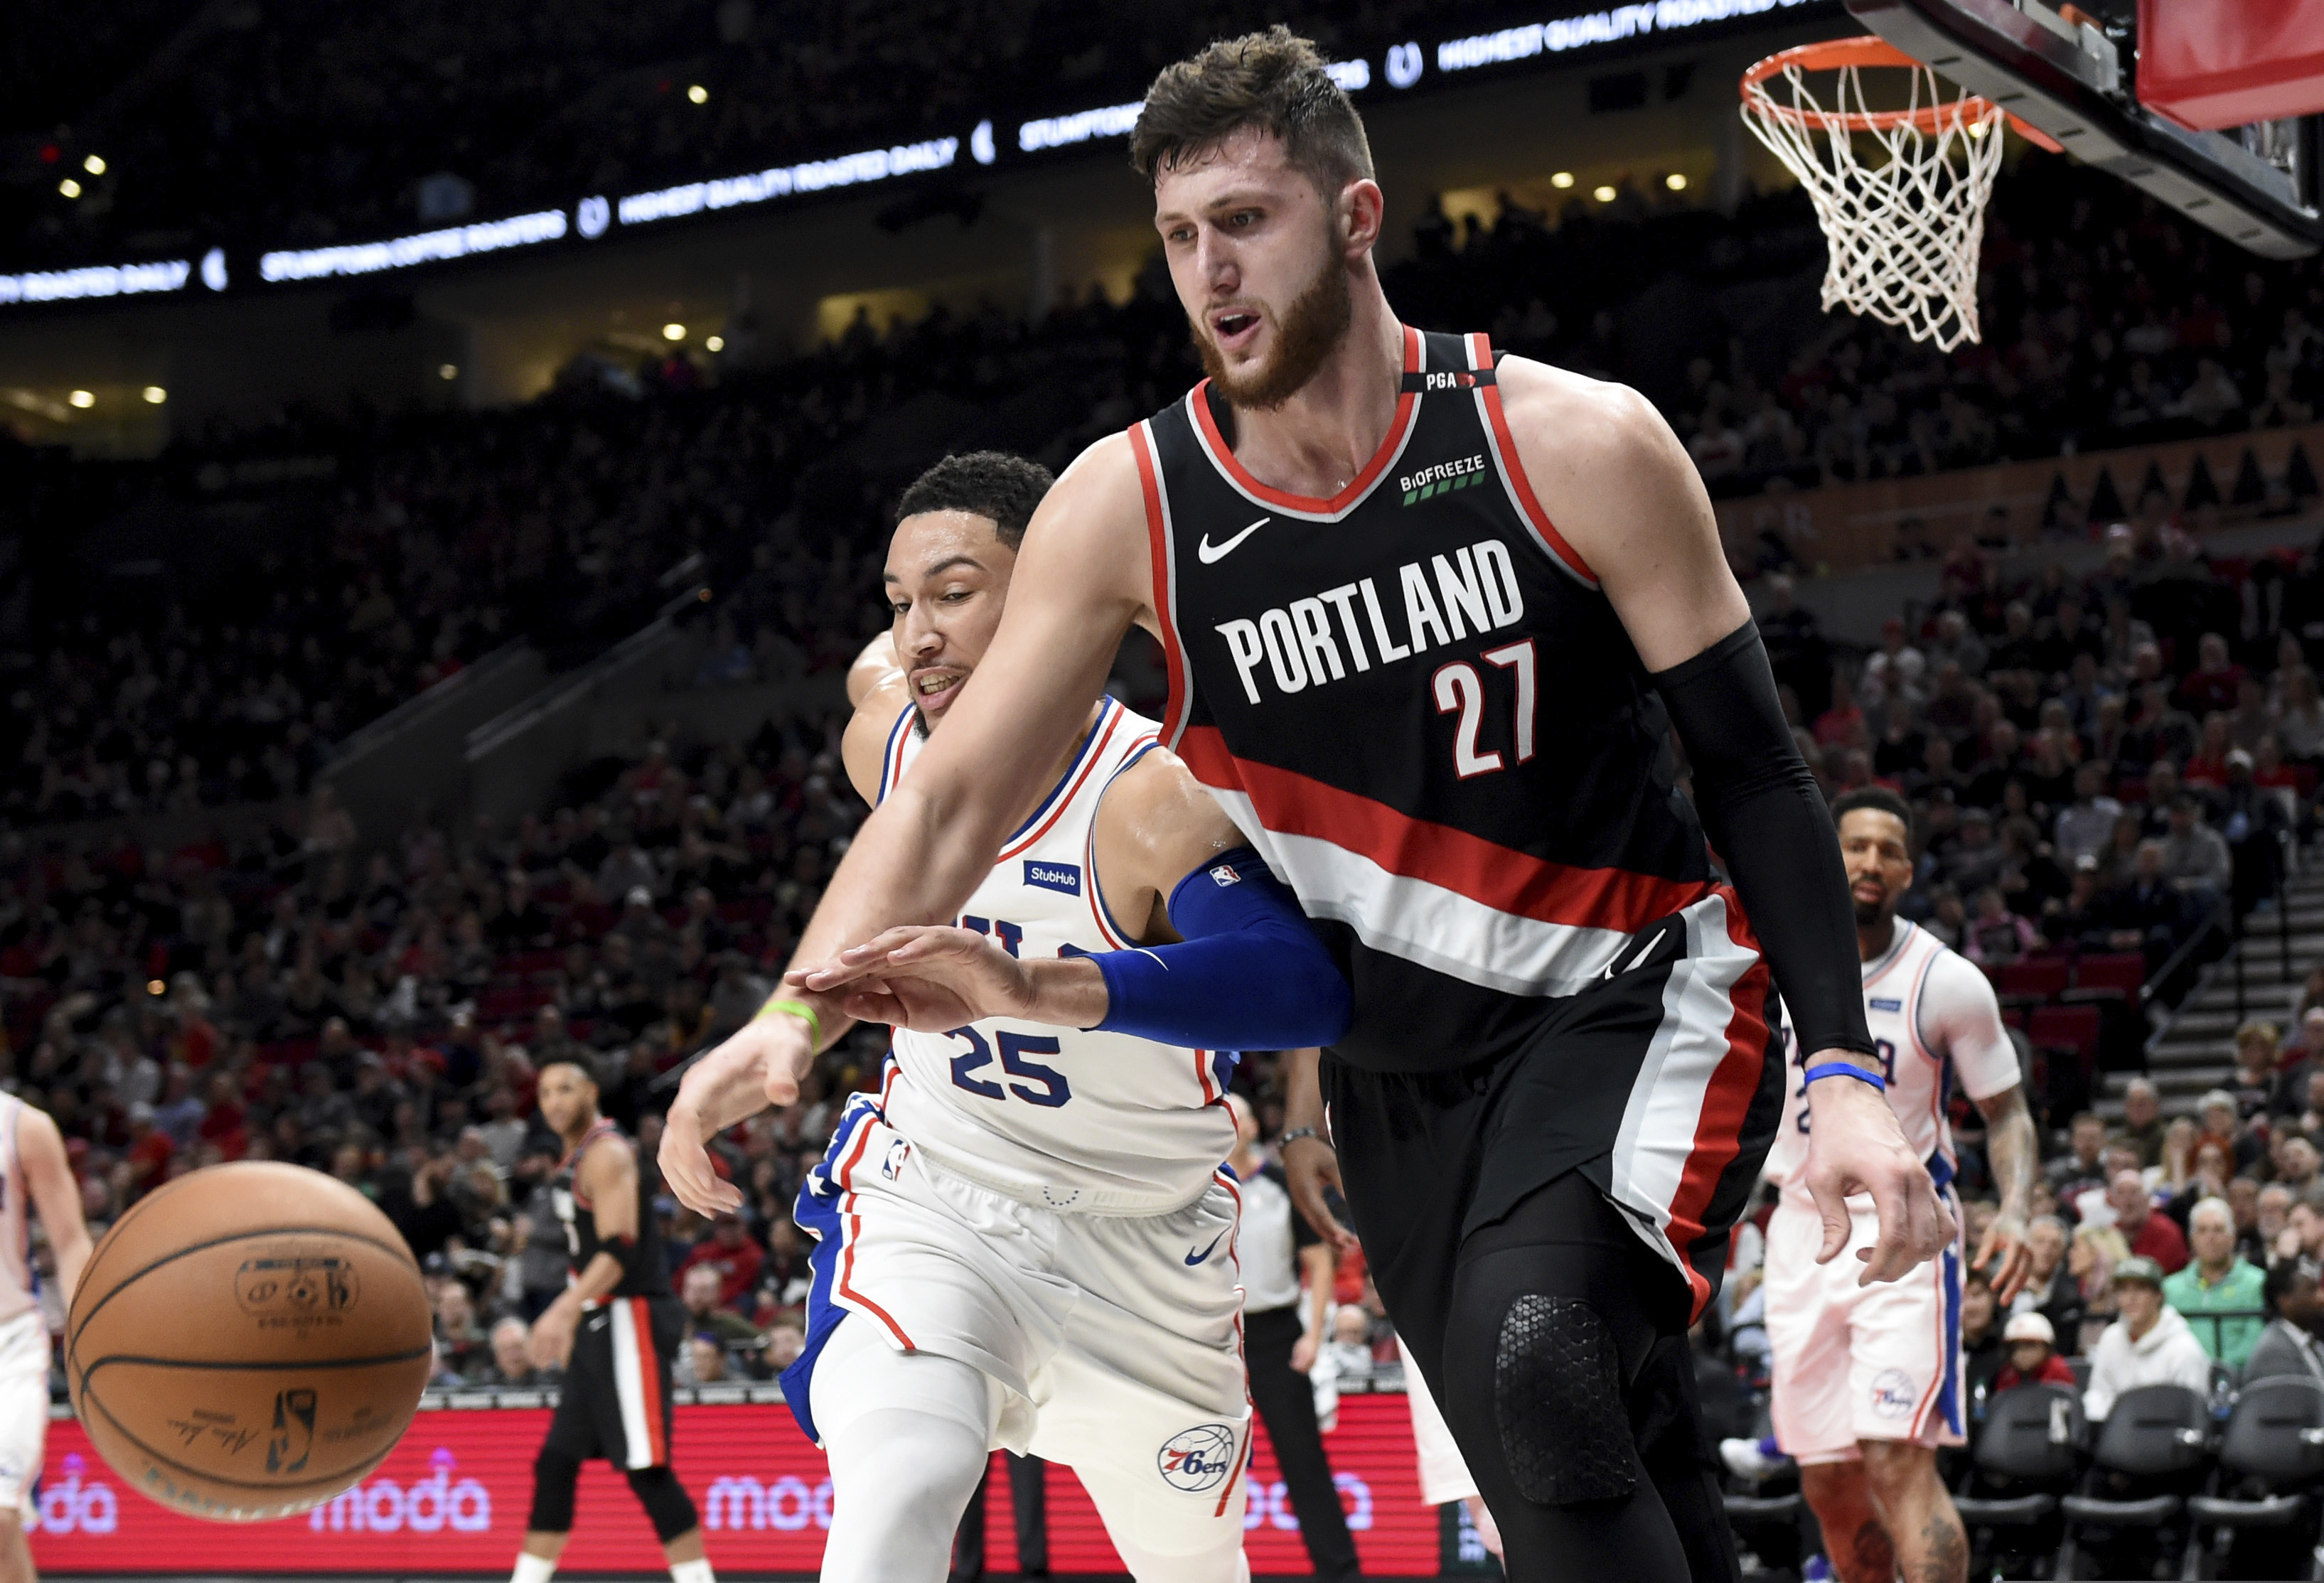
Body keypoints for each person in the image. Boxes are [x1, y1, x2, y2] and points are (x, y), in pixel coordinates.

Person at [673, 32, 1950, 1583]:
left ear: (1354, 215)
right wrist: (786, 1024)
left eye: (1245, 219)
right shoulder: (1126, 505)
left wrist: (1838, 1061)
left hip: (1625, 997)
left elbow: (1753, 767)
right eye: (1178, 237)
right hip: (1393, 1074)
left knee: (1536, 1362)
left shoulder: (1568, 441)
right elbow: (942, 800)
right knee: (1590, 1451)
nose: (1210, 270)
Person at [670, 451, 1351, 1583]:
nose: (917, 632)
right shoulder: (891, 748)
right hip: (939, 1199)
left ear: (1051, 595)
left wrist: (1047, 987)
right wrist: (786, 1019)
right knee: (899, 1484)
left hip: (1145, 1246)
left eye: (953, 591)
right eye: (897, 603)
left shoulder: (1147, 793)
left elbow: (1304, 987)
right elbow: (871, 683)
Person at [1761, 788, 2035, 1583]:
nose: (1869, 862)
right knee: (1827, 1478)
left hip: (1902, 1232)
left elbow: (2007, 1113)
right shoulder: (1769, 966)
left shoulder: (1945, 980)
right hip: (1799, 1232)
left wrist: (2013, 1211)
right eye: (1854, 846)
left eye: (1886, 849)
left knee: (1893, 1458)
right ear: (1826, 855)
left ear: (1908, 871)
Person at [508, 1058, 710, 1583]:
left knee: (647, 1469)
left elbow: (618, 1249)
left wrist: (562, 1308)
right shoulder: (574, 1155)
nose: (553, 1100)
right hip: (600, 1321)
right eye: (545, 1090)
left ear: (591, 1091)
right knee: (555, 1464)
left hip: (629, 1317)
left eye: (565, 1088)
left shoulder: (607, 1152)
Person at [1223, 1084, 1359, 1582]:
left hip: (1277, 1334)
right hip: (1216, 1338)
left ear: (1253, 1126)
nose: (1227, 1125)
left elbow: (1318, 1261)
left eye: (1235, 1116)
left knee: (1302, 1460)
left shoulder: (1281, 1183)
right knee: (1213, 1464)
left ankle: (1340, 1570)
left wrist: (1313, 1335)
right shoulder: (1196, 1187)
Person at [0, 1096, 92, 1583]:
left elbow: (72, 1240)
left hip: (8, 1343)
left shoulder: (23, 1127)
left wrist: (86, 1332)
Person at [2082, 1257, 2213, 1420]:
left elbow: (2193, 1412)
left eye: (2141, 1289)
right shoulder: (2111, 1338)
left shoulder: (2184, 1348)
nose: (2131, 1298)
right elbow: (2098, 1393)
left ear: (2159, 1296)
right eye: (2123, 1290)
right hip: (2117, 1437)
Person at [2160, 1198, 2265, 1371]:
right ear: (2192, 1239)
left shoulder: (2257, 1283)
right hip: (2184, 1379)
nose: (2211, 1238)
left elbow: (2256, 1342)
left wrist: (2215, 1371)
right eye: (2202, 1230)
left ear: (2233, 1237)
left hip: (2241, 1379)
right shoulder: (2170, 1288)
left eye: (2218, 1230)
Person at [2241, 1257, 2324, 1383]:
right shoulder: (2273, 1353)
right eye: (2311, 1290)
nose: (2321, 1297)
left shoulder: (2310, 1342)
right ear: (2285, 1301)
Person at [2106, 1168, 2189, 1273]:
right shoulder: (2109, 1235)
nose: (2128, 1201)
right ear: (2112, 1201)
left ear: (2147, 1198)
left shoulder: (2167, 1232)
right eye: (2121, 1193)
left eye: (2134, 1192)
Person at [1990, 1314, 2074, 1392]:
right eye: (2014, 1347)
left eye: (2030, 1346)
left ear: (2047, 1348)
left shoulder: (2058, 1370)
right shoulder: (2007, 1374)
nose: (2021, 1353)